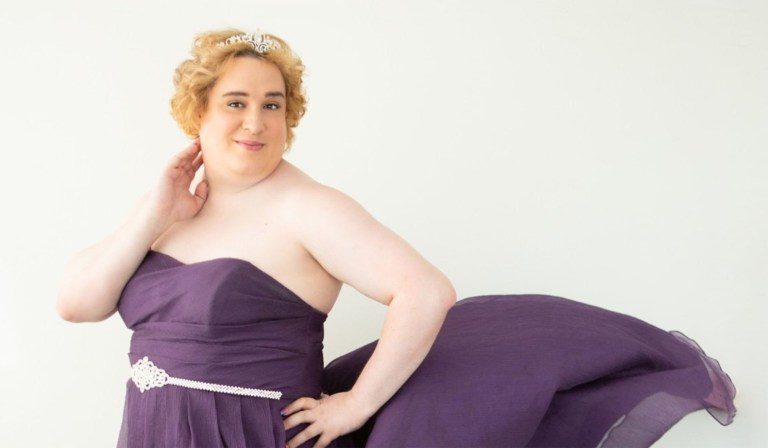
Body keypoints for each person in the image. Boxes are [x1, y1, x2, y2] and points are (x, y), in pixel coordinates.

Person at [56, 28, 737, 448]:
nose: (255, 122)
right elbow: (77, 304)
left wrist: (357, 406)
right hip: (154, 430)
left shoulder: (309, 208)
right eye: (236, 103)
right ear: (197, 113)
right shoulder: (171, 208)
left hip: (250, 435)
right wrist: (153, 212)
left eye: (273, 105)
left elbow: (425, 291)